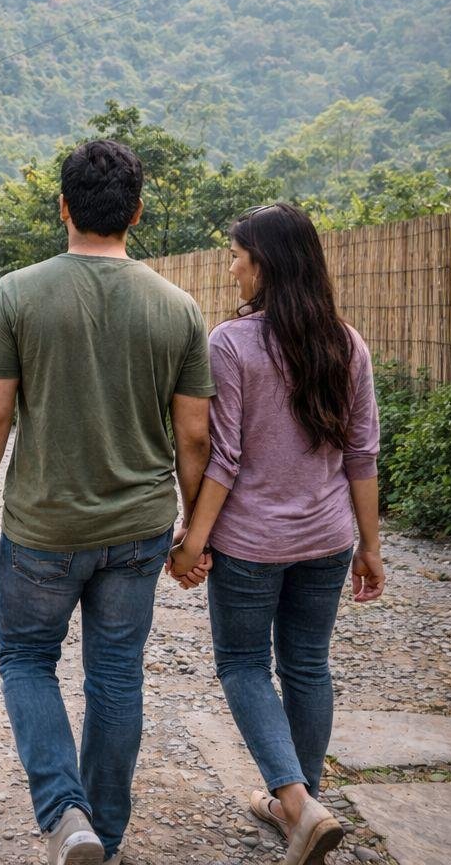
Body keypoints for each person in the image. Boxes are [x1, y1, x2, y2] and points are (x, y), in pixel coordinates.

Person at [0, 138, 215, 865]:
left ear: (63, 207)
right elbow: (194, 436)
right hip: (139, 529)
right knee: (116, 674)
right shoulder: (179, 308)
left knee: (28, 660)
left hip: (44, 527)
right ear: (136, 211)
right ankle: (107, 826)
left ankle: (66, 817)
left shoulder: (18, 294)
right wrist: (195, 531)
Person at [166, 201, 386, 865]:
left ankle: (295, 802)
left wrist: (193, 539)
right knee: (307, 665)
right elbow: (362, 454)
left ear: (264, 263)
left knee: (242, 665)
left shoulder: (231, 344)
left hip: (251, 545)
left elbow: (222, 456)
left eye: (236, 256)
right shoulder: (346, 341)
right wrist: (371, 547)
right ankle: (303, 805)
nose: (231, 268)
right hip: (327, 539)